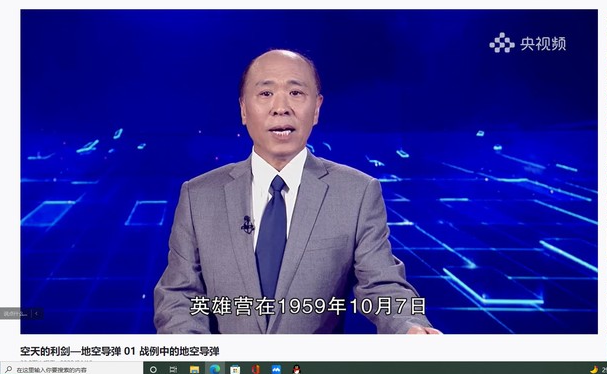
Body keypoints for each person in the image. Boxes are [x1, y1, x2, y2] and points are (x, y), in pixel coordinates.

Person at [154, 49, 439, 334]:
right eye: (266, 93)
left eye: (296, 93)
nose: (281, 108)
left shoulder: (356, 193)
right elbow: (179, 296)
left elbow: (382, 285)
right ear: (243, 109)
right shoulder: (199, 196)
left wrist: (410, 328)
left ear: (316, 108)